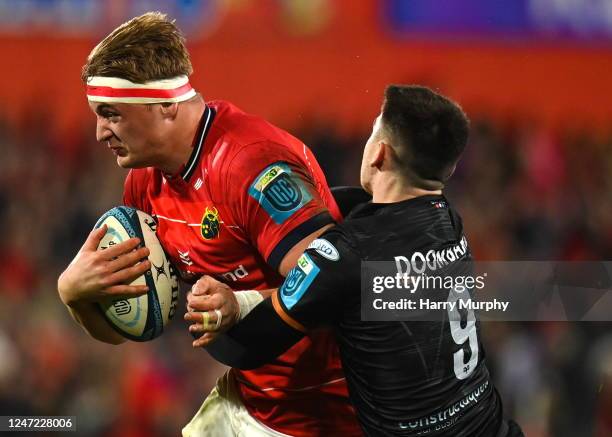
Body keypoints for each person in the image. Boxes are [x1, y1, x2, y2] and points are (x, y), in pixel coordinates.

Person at [56, 11, 362, 437]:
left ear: (165, 104)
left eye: (111, 113)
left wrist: (240, 304)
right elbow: (134, 327)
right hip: (246, 401)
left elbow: (338, 285)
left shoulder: (250, 164)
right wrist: (75, 295)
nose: (99, 133)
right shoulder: (145, 185)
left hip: (322, 416)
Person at [187, 85, 525, 436]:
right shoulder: (451, 225)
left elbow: (250, 346)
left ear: (379, 153)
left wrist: (211, 318)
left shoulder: (345, 256)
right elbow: (362, 215)